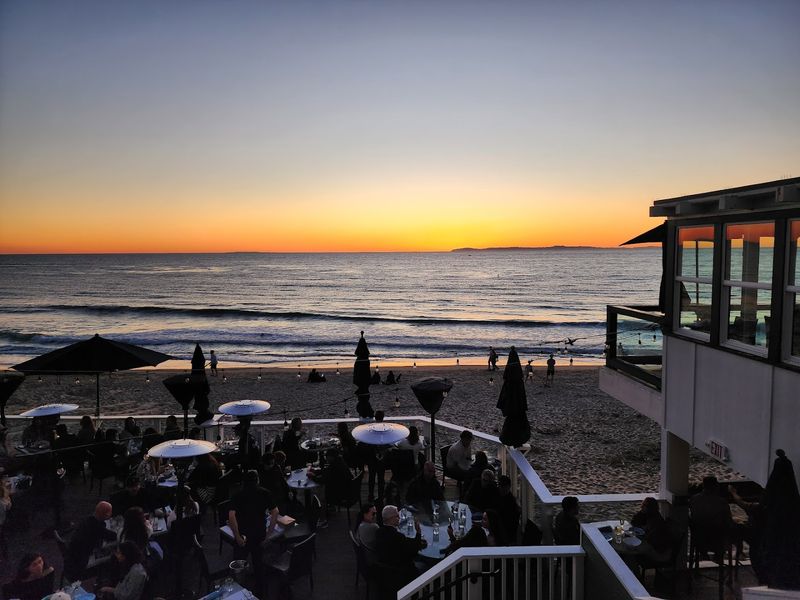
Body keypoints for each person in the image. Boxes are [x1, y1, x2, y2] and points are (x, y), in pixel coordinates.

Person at [228, 470, 279, 571]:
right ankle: (259, 583)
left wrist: (237, 536)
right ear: (258, 480)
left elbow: (231, 516)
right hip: (259, 532)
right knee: (258, 562)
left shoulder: (237, 494)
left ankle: (240, 581)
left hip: (243, 533)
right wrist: (269, 534)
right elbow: (275, 512)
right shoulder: (265, 493)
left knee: (239, 563)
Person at [63, 501, 119, 582]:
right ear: (107, 514)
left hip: (72, 558)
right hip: (82, 561)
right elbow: (113, 536)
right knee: (112, 558)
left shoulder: (87, 519)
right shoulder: (98, 527)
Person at [375, 505, 425, 586]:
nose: (399, 518)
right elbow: (413, 552)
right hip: (400, 571)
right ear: (391, 519)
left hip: (384, 568)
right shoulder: (398, 536)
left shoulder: (378, 532)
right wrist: (418, 532)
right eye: (397, 516)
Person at [497, 475, 521, 544]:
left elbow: (508, 523)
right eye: (500, 485)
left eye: (503, 486)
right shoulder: (507, 498)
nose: (501, 488)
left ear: (508, 487)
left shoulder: (511, 503)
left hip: (505, 535)